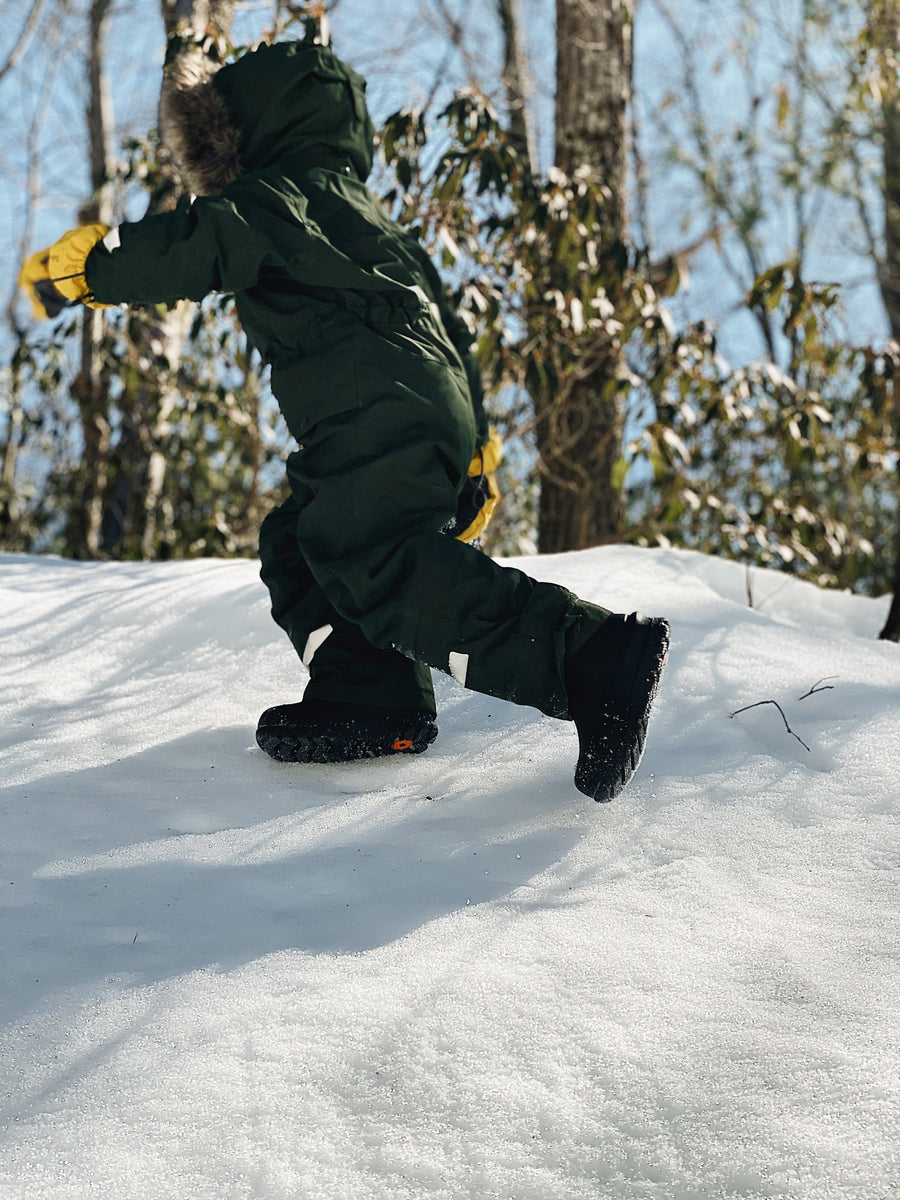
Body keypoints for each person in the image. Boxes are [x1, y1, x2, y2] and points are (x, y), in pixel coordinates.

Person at [20, 38, 669, 802]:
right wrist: (476, 447)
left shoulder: (274, 198)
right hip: (424, 404)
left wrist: (98, 266)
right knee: (300, 542)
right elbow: (449, 330)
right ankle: (370, 692)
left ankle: (590, 654)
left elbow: (203, 244)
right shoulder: (366, 216)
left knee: (379, 556)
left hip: (370, 404)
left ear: (247, 131)